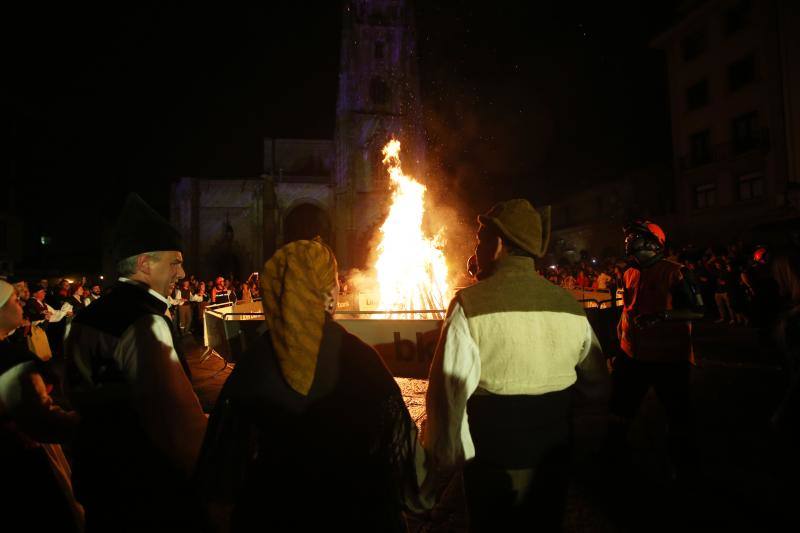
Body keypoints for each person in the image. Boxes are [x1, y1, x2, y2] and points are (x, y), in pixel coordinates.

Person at [196, 239, 428, 532]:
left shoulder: (254, 361)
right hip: (356, 514)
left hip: (273, 515)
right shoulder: (361, 359)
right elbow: (402, 453)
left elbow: (225, 459)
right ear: (330, 293)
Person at [423, 199, 609, 532]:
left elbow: (447, 396)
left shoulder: (468, 305)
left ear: (497, 245)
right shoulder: (569, 304)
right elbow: (596, 385)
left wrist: (443, 458)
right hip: (553, 461)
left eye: (481, 241)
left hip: (492, 463)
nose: (476, 250)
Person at [64, 193, 208, 533]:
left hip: (97, 475)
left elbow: (76, 396)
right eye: (175, 262)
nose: (183, 272)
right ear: (145, 263)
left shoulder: (85, 317)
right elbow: (177, 421)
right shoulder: (146, 322)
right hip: (145, 485)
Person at [609, 219, 704, 483]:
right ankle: (614, 456)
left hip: (669, 360)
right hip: (632, 356)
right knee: (619, 409)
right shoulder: (629, 273)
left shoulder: (678, 272)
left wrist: (661, 316)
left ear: (653, 242)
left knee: (678, 415)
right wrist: (620, 341)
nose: (629, 243)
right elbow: (627, 310)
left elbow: (697, 310)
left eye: (635, 238)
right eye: (628, 239)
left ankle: (684, 466)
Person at [0, 280, 84, 532]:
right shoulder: (11, 362)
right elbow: (43, 421)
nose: (22, 304)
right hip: (24, 461)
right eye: (15, 300)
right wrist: (95, 422)